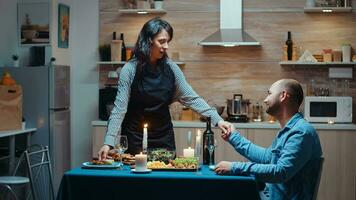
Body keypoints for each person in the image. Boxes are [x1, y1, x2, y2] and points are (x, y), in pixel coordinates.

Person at [98, 17, 231, 160]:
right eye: (162, 41)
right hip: (135, 138)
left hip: (163, 138)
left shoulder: (171, 68)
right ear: (148, 40)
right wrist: (108, 142)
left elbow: (192, 99)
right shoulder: (129, 70)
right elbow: (119, 109)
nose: (166, 46)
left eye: (168, 41)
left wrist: (218, 120)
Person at [215, 79, 323, 200]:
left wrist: (235, 167)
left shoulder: (301, 132)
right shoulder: (290, 129)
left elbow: (280, 172)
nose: (266, 100)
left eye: (270, 93)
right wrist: (233, 137)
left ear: (283, 96)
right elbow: (267, 158)